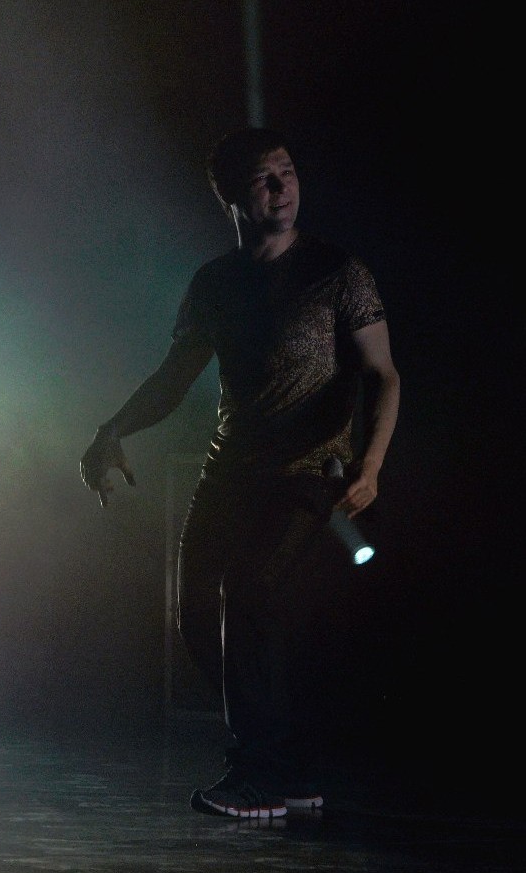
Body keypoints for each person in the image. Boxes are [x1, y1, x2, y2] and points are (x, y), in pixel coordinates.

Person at [79, 126, 400, 819]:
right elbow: (173, 380)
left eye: (288, 172)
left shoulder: (338, 272)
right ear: (230, 195)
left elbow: (383, 374)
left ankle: (257, 774)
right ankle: (290, 764)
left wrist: (370, 464)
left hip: (309, 470)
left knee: (248, 592)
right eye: (263, 178)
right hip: (230, 470)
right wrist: (112, 430)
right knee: (196, 612)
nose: (281, 188)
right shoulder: (216, 283)